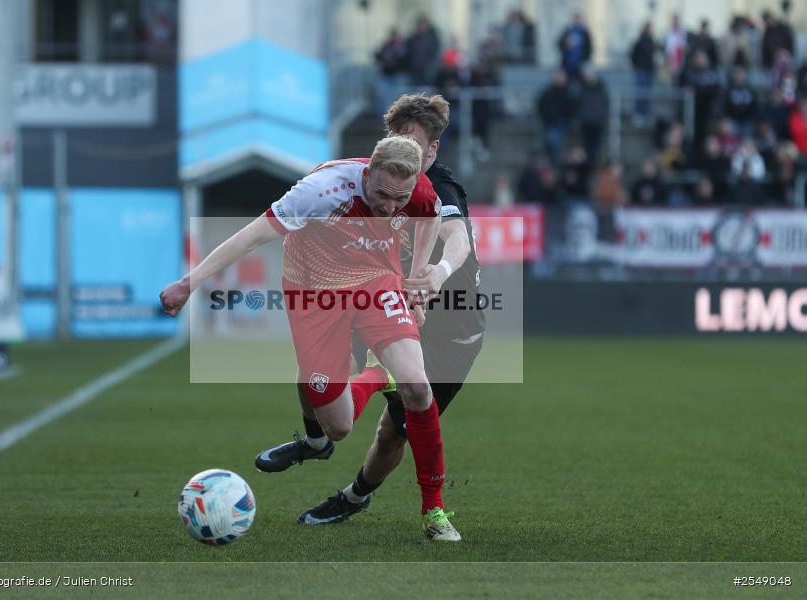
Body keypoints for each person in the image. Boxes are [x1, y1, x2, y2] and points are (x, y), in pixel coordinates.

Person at [160, 136, 454, 541]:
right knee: (338, 427)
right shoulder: (320, 192)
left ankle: (433, 509)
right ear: (368, 174)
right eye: (382, 195)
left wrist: (418, 276)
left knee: (419, 389)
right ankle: (366, 386)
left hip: (376, 281)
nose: (389, 208)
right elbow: (250, 236)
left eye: (399, 199)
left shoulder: (416, 188)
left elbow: (430, 213)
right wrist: (188, 282)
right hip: (315, 293)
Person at [255, 94, 484, 541]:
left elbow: (458, 237)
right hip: (381, 304)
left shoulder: (439, 188)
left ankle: (357, 497)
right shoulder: (374, 180)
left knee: (393, 431)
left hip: (450, 330)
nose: (403, 151)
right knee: (317, 374)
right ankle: (317, 440)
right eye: (396, 139)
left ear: (433, 151)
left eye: (415, 144)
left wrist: (436, 272)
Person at [537, 69, 574, 166]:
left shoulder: (568, 92)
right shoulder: (548, 92)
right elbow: (540, 105)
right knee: (552, 144)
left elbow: (571, 108)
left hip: (562, 123)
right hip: (550, 123)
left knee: (556, 145)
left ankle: (555, 166)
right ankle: (554, 166)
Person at [630, 22, 657, 123]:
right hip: (641, 70)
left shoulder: (652, 41)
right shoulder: (640, 41)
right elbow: (633, 55)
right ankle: (638, 114)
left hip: (649, 70)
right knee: (640, 93)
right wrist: (637, 66)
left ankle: (646, 114)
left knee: (648, 94)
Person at [557, 12, 592, 83]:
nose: (576, 20)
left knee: (581, 82)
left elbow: (589, 47)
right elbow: (559, 43)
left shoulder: (584, 32)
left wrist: (586, 59)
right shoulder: (568, 31)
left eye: (578, 18)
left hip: (580, 64)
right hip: (568, 64)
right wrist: (565, 44)